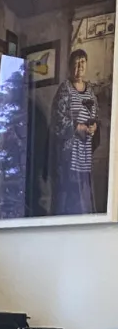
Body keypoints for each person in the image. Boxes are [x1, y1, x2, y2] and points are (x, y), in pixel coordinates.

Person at [48, 49, 100, 215]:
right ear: (70, 67)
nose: (80, 67)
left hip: (85, 153)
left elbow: (96, 116)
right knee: (66, 196)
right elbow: (57, 119)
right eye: (76, 63)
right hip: (68, 154)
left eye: (82, 62)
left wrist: (94, 127)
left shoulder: (90, 91)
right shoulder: (65, 89)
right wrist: (78, 127)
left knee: (83, 195)